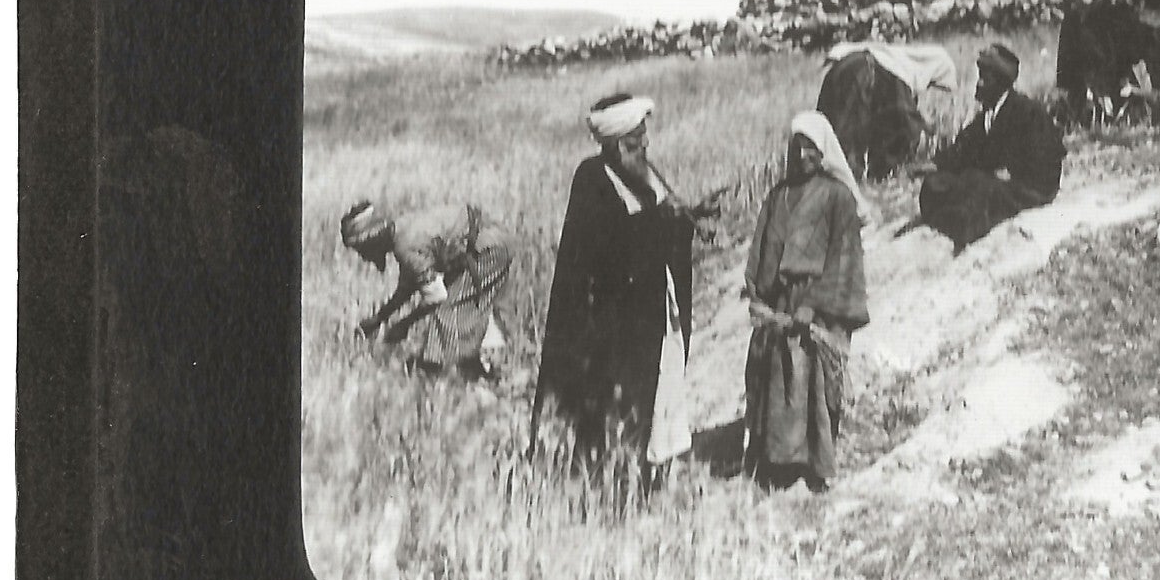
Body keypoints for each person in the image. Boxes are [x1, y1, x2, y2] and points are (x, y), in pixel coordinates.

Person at [530, 92, 718, 499]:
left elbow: (658, 227)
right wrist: (659, 221)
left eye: (644, 137)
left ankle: (649, 486)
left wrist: (689, 218)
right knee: (617, 412)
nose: (646, 145)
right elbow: (608, 252)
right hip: (612, 333)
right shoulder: (592, 181)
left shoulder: (643, 177)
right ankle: (612, 492)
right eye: (636, 141)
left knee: (660, 395)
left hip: (653, 319)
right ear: (617, 147)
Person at [743, 111, 871, 493]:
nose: (802, 156)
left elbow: (844, 258)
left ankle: (811, 467)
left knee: (810, 384)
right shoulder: (777, 196)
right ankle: (776, 465)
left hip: (817, 308)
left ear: (824, 151)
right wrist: (758, 294)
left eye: (811, 148)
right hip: (780, 307)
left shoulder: (837, 197)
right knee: (777, 383)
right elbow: (761, 248)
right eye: (797, 148)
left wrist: (812, 305)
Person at [914, 43, 1064, 251]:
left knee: (978, 187)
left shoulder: (1027, 112)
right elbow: (963, 148)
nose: (979, 84)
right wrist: (935, 164)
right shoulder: (987, 116)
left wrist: (1008, 173)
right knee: (935, 183)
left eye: (985, 79)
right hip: (994, 182)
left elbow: (1047, 158)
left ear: (1001, 84)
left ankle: (961, 230)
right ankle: (953, 219)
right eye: (980, 77)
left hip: (1029, 187)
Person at [340, 199, 514, 379]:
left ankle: (439, 374)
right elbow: (408, 285)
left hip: (488, 249)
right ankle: (470, 372)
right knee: (457, 317)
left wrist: (404, 325)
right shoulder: (401, 231)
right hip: (490, 242)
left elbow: (436, 296)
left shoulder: (405, 246)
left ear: (372, 242)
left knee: (448, 315)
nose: (364, 257)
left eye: (361, 250)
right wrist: (379, 319)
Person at [816, 42, 957, 180]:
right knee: (852, 134)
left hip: (842, 69)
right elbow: (902, 120)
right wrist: (923, 126)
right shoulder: (900, 72)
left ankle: (826, 174)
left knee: (832, 129)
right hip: (860, 74)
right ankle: (859, 178)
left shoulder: (893, 61)